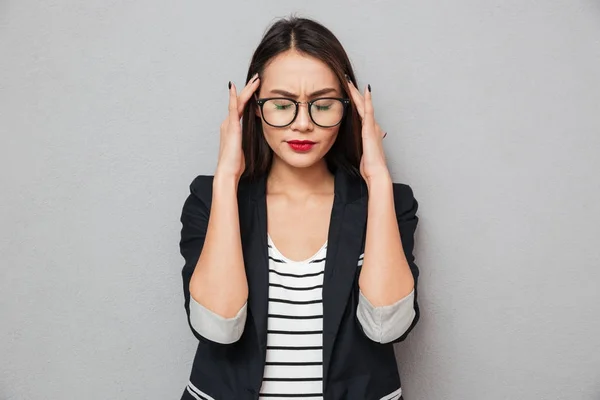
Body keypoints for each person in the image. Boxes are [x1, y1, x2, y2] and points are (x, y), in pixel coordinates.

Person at [178, 16, 420, 400]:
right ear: (255, 109)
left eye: (323, 105)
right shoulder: (211, 199)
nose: (303, 124)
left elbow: (386, 326)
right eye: (282, 104)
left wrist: (377, 178)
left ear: (348, 109)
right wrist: (226, 175)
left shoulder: (390, 202)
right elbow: (218, 326)